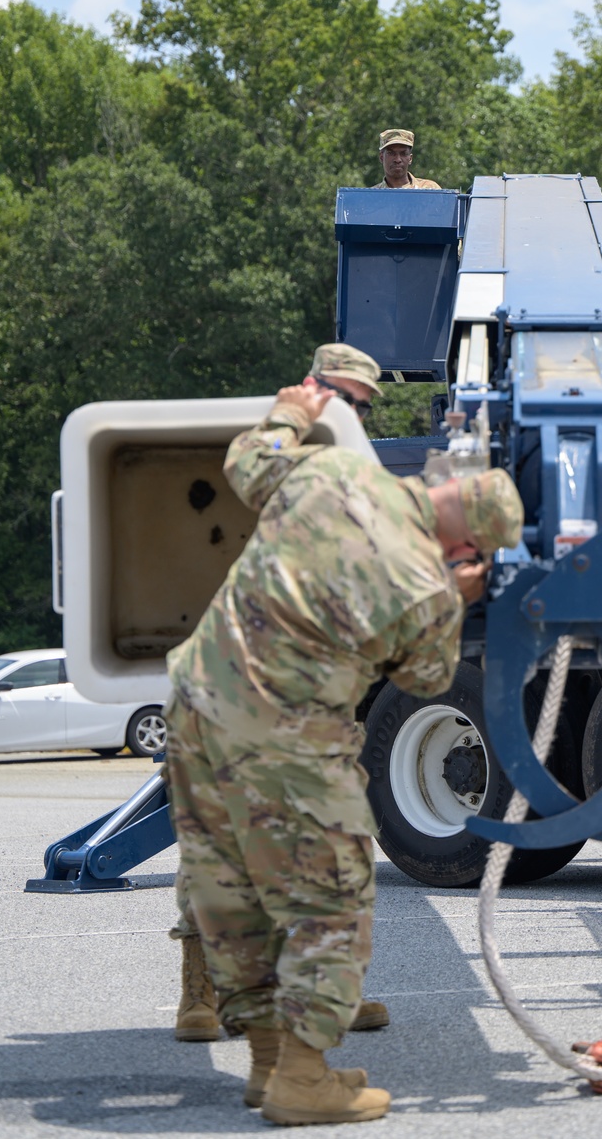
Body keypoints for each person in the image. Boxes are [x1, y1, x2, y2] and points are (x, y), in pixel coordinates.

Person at [164, 369, 524, 1126]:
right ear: (465, 541)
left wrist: (288, 414)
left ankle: (267, 1063)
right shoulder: (427, 584)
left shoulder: (333, 469)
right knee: (332, 899)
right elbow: (426, 677)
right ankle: (301, 1078)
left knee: (229, 887)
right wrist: (458, 598)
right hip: (287, 739)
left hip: (197, 703)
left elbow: (247, 466)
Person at [172, 344, 387, 1045]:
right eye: (338, 394)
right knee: (218, 833)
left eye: (361, 403)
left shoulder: (346, 463)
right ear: (309, 386)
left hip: (314, 676)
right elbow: (250, 471)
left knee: (322, 839)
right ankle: (198, 989)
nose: (350, 411)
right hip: (238, 671)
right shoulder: (278, 438)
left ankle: (325, 990)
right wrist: (289, 417)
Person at [371, 128, 441, 189]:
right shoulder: (372, 195)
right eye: (391, 153)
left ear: (410, 158)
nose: (398, 159)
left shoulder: (429, 189)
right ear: (381, 157)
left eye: (403, 154)